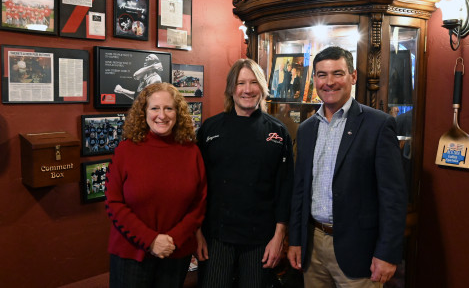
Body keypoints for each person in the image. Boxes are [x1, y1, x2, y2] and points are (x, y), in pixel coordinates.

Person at [287, 46, 407, 287]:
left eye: (337, 73)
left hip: (359, 250)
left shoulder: (379, 125)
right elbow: (300, 190)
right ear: (314, 79)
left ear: (353, 77)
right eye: (322, 75)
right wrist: (296, 240)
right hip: (313, 246)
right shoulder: (307, 129)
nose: (329, 82)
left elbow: (393, 197)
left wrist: (387, 253)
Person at [196, 59, 295, 288]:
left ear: (262, 87)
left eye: (253, 83)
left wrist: (279, 237)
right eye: (241, 83)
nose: (247, 90)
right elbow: (197, 187)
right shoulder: (210, 129)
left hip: (260, 240)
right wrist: (197, 233)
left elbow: (285, 188)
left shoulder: (278, 133)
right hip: (216, 237)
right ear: (231, 88)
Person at [105, 83, 207, 288]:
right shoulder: (126, 150)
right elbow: (113, 203)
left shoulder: (191, 152)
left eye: (169, 108)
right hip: (131, 254)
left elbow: (199, 204)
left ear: (178, 112)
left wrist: (173, 240)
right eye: (155, 108)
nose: (162, 115)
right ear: (144, 112)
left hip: (176, 253)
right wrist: (151, 240)